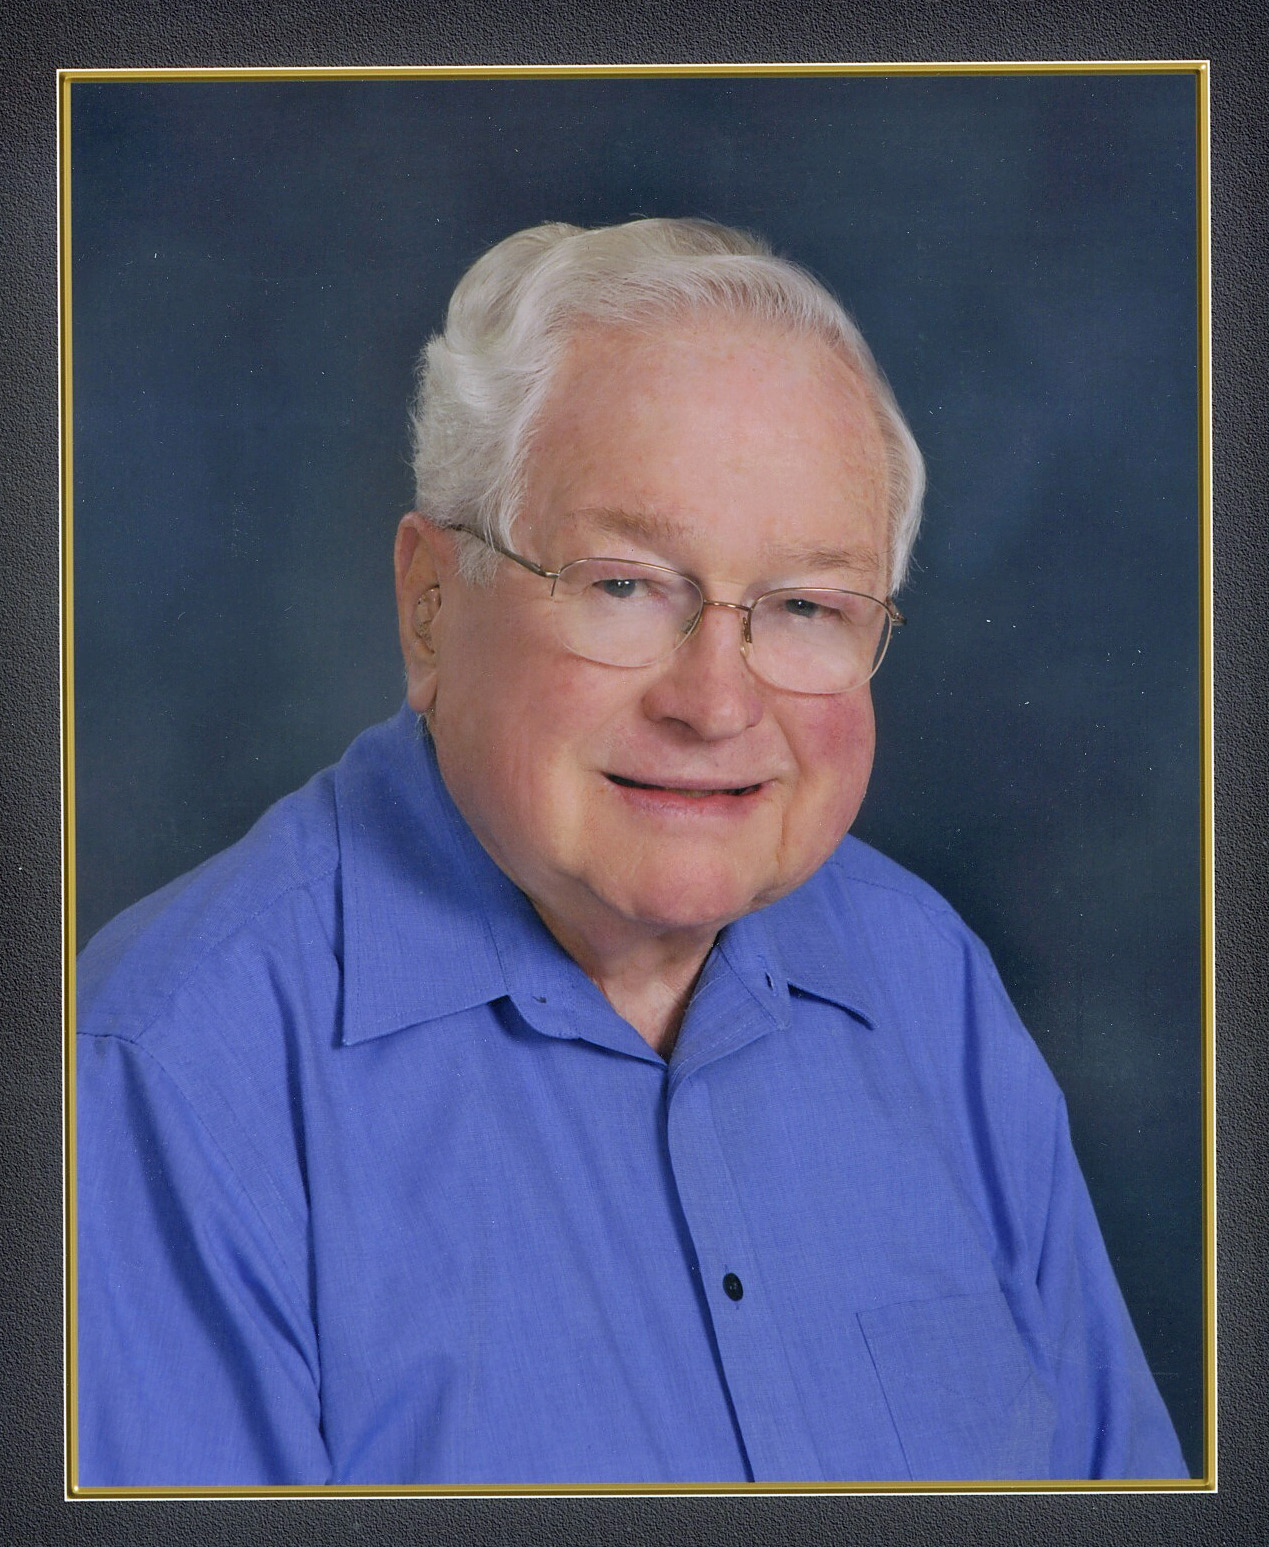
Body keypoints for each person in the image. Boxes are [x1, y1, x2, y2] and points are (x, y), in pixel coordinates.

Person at [76, 218, 1186, 1487]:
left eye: (806, 605)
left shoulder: (927, 986)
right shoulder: (171, 1078)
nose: (715, 703)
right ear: (430, 603)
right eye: (623, 585)